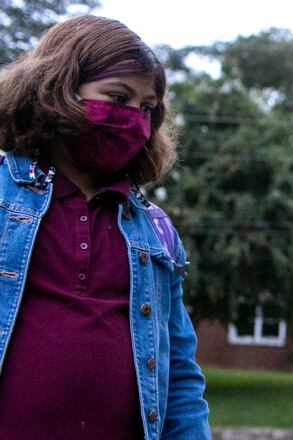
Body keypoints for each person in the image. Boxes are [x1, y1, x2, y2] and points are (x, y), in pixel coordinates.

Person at [0, 15, 210, 438]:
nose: (134, 118)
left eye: (147, 108)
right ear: (57, 90)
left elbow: (181, 377)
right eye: (117, 98)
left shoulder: (156, 231)